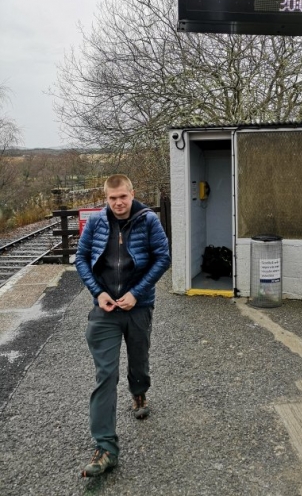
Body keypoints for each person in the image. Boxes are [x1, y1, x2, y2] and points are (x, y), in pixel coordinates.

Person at [75, 174, 170, 478]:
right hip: (104, 310)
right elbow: (81, 258)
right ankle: (105, 447)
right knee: (106, 375)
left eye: (122, 197)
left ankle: (139, 392)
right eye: (112, 198)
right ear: (106, 198)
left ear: (132, 193)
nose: (118, 203)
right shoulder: (96, 223)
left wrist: (136, 293)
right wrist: (98, 293)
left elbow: (162, 258)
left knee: (139, 360)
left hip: (137, 306)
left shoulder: (148, 220)